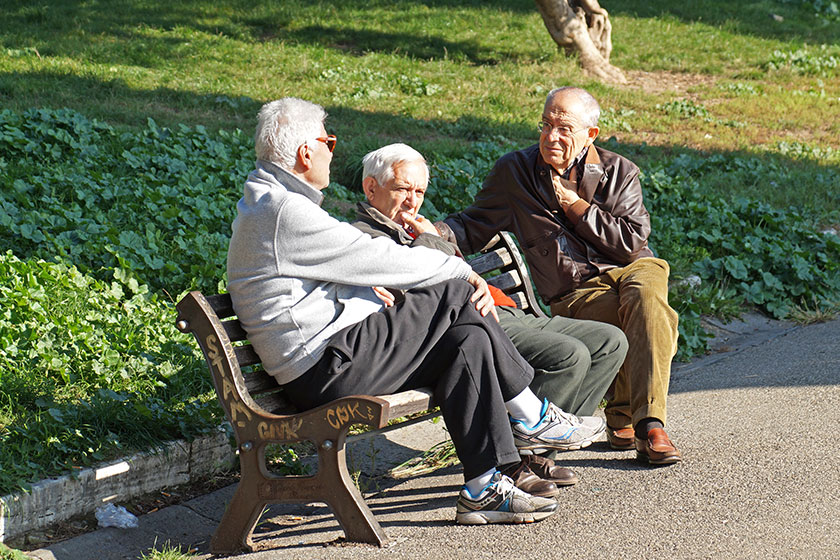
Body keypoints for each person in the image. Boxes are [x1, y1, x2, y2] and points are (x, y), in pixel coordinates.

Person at [225, 98, 605, 526]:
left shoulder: (273, 202)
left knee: (468, 340)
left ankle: (483, 486)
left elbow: (322, 279)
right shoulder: (282, 210)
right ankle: (532, 415)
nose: (334, 150)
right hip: (323, 372)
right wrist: (463, 270)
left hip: (330, 358)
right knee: (452, 291)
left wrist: (368, 295)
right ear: (304, 151)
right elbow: (375, 258)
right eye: (328, 141)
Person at [352, 142, 627, 492]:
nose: (413, 201)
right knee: (569, 355)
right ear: (371, 187)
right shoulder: (364, 238)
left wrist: (429, 239)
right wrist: (430, 241)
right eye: (404, 189)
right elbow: (420, 291)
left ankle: (537, 451)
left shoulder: (412, 228)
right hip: (467, 325)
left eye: (419, 191)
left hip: (500, 310)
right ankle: (518, 458)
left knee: (610, 341)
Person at [437, 87, 682, 465]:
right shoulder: (515, 172)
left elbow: (632, 243)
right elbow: (474, 224)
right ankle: (621, 415)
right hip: (577, 291)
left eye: (565, 128)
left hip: (633, 269)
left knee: (648, 295)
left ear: (590, 135)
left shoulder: (619, 172)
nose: (552, 136)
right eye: (547, 125)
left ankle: (649, 424)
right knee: (639, 316)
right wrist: (430, 232)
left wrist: (577, 207)